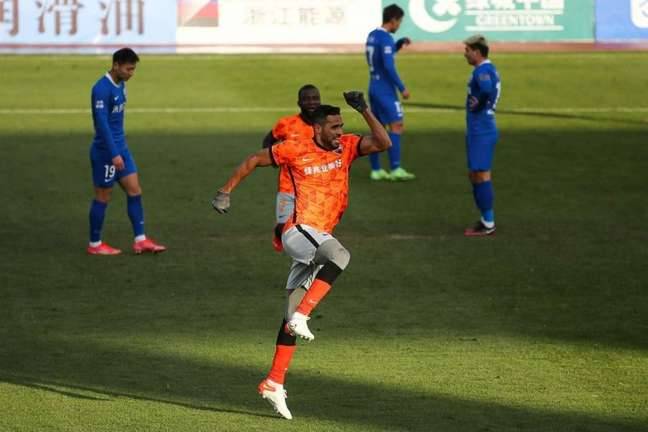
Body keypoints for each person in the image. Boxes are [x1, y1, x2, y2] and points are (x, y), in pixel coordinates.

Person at [212, 92, 391, 420]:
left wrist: (364, 109)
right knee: (340, 255)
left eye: (341, 126)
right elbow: (254, 159)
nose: (340, 132)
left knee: (289, 317)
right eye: (334, 127)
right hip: (299, 231)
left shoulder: (347, 147)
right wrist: (225, 192)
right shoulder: (294, 148)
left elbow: (383, 142)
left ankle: (273, 381)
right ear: (318, 128)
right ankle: (304, 315)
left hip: (316, 238)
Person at [87, 48, 166, 255]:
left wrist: (120, 150)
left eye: (133, 69)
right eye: (129, 69)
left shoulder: (121, 85)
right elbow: (102, 124)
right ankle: (95, 244)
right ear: (116, 66)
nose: (132, 73)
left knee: (134, 190)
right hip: (106, 152)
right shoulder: (101, 89)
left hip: (121, 149)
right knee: (103, 197)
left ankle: (140, 240)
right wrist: (114, 154)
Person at [261, 84, 321, 252]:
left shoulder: (324, 124)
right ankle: (278, 233)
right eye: (307, 99)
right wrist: (274, 159)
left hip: (314, 186)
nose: (311, 102)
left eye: (315, 98)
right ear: (299, 102)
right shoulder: (287, 123)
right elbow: (269, 140)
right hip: (288, 185)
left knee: (312, 228)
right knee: (282, 225)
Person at [365, 3, 415, 181]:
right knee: (397, 125)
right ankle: (395, 168)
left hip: (373, 86)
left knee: (377, 129)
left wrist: (398, 44)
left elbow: (381, 56)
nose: (399, 25)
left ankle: (376, 170)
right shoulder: (385, 38)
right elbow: (387, 65)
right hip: (385, 90)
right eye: (399, 22)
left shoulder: (373, 35)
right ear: (393, 20)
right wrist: (402, 88)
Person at [463, 35, 501, 236]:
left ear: (477, 52)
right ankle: (485, 219)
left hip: (482, 130)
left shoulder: (483, 71)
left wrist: (480, 103)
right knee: (475, 175)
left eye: (468, 50)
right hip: (479, 130)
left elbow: (486, 89)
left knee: (482, 175)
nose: (465, 54)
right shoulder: (486, 69)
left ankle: (488, 223)